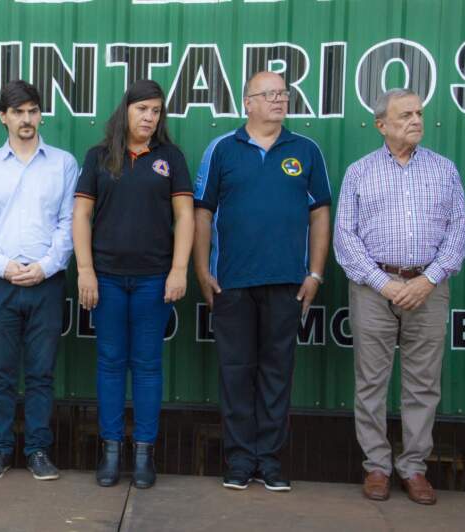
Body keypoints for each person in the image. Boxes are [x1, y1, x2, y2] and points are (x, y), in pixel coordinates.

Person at [192, 71, 331, 492]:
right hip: (232, 283)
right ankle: (238, 462)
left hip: (287, 283)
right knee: (235, 373)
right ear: (247, 103)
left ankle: (268, 461)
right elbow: (202, 213)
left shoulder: (305, 150)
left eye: (283, 94)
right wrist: (201, 270)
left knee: (276, 374)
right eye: (268, 94)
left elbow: (320, 213)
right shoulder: (221, 149)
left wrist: (316, 273)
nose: (278, 100)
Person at [334, 89, 465, 505]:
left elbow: (457, 232)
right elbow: (345, 238)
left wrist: (427, 279)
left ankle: (414, 468)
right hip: (375, 288)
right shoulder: (359, 172)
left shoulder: (445, 170)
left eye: (419, 113)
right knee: (371, 382)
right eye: (405, 114)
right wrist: (384, 283)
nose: (415, 120)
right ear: (381, 125)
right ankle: (376, 466)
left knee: (422, 384)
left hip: (429, 287)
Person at [72, 79, 194, 489]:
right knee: (109, 364)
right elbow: (81, 217)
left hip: (153, 280)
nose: (149, 117)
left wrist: (179, 270)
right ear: (125, 110)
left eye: (156, 111)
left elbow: (185, 217)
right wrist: (85, 270)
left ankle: (144, 453)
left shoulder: (170, 157)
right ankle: (110, 451)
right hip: (105, 278)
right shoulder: (99, 156)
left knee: (146, 366)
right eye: (142, 109)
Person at [0, 80, 78, 481]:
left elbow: (70, 222)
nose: (26, 119)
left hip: (47, 281)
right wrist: (3, 265)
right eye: (17, 111)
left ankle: (38, 450)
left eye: (32, 110)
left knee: (41, 372)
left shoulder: (63, 163)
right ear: (3, 117)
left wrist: (46, 265)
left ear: (41, 114)